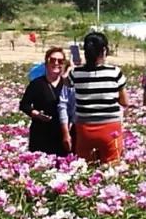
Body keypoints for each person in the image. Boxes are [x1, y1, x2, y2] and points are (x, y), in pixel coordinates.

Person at [65, 32, 128, 164]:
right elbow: (124, 102)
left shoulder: (75, 73)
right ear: (104, 50)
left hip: (84, 129)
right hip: (110, 128)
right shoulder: (114, 72)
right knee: (112, 166)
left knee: (84, 167)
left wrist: (71, 66)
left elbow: (65, 82)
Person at [19, 47, 69, 155]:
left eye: (60, 61)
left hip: (63, 133)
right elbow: (24, 105)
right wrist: (36, 114)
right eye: (52, 60)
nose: (56, 63)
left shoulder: (68, 84)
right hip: (41, 133)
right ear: (46, 63)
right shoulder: (36, 84)